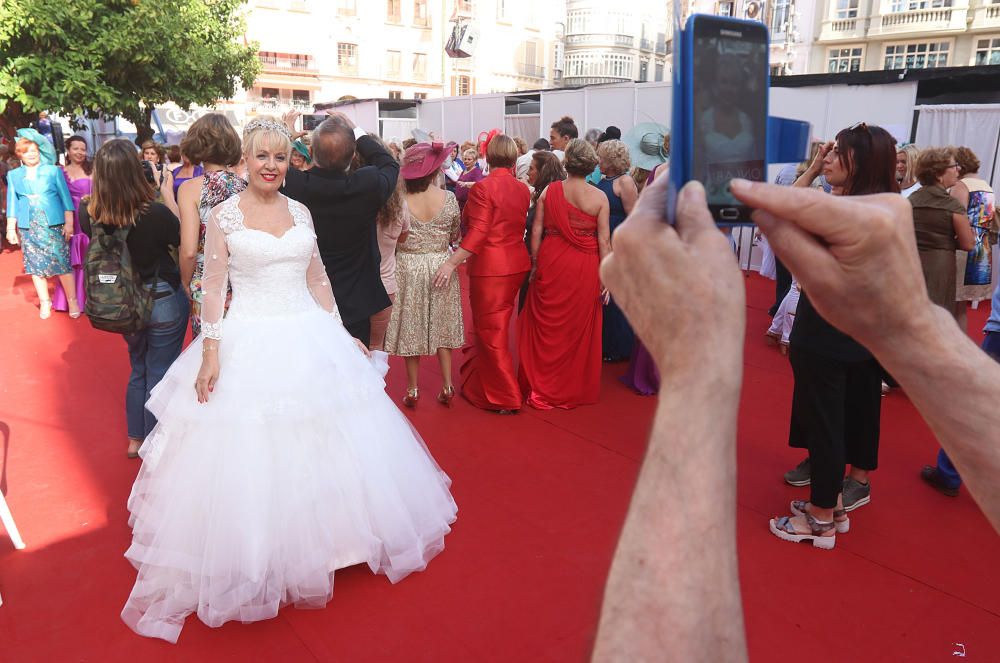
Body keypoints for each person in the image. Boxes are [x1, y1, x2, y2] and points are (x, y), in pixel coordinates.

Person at [119, 119, 457, 644]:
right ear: (245, 161)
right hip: (248, 335)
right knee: (255, 448)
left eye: (280, 156)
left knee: (329, 438)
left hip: (309, 332)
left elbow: (317, 276)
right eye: (261, 156)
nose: (271, 165)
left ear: (289, 161)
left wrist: (337, 329)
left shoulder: (300, 210)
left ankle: (334, 543)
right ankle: (263, 551)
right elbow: (213, 289)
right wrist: (210, 353)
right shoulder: (224, 215)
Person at [769, 125, 899, 549]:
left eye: (836, 152)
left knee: (824, 424)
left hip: (826, 331)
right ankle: (834, 505)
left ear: (858, 162)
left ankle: (821, 519)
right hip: (858, 331)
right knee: (840, 421)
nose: (826, 157)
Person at [79, 139, 189, 458]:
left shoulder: (89, 212)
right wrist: (160, 189)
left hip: (121, 301)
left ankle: (136, 438)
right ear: (135, 171)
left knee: (139, 368)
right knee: (160, 371)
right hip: (162, 298)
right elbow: (181, 235)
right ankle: (155, 444)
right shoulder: (153, 212)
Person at [281, 111, 398, 347]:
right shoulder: (367, 185)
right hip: (355, 298)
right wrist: (357, 131)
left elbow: (272, 165)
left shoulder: (294, 184)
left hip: (306, 295)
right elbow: (388, 163)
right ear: (353, 153)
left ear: (310, 153)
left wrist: (287, 135)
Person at [435, 134, 530, 414]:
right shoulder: (522, 189)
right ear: (513, 157)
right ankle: (485, 386)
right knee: (496, 328)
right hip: (516, 264)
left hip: (491, 268)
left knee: (491, 331)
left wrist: (451, 262)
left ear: (487, 155)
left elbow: (478, 233)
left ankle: (505, 395)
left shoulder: (483, 189)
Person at [518, 139, 610, 409]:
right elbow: (604, 242)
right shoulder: (599, 197)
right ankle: (566, 385)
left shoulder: (550, 190)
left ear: (568, 162)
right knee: (574, 327)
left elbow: (536, 231)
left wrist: (534, 264)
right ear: (591, 164)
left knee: (546, 325)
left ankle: (540, 383)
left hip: (551, 258)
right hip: (585, 265)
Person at [385, 142, 465, 406]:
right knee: (443, 324)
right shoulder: (450, 199)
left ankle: (413, 389)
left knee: (411, 326)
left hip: (408, 265)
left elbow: (395, 237)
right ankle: (447, 383)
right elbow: (455, 235)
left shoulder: (398, 200)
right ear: (434, 171)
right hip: (441, 264)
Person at [176, 113, 246, 337]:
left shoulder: (190, 189)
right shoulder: (246, 187)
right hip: (243, 281)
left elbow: (188, 250)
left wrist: (185, 283)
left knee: (208, 353)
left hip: (206, 283)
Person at [4, 130, 78, 319]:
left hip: (53, 224)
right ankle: (45, 302)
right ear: (20, 154)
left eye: (34, 150)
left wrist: (69, 224)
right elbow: (12, 202)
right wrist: (10, 228)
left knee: (62, 264)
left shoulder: (53, 171)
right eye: (27, 151)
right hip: (29, 227)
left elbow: (66, 199)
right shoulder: (13, 175)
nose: (31, 154)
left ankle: (72, 301)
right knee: (35, 266)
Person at [909, 147, 975, 321]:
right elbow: (968, 244)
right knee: (936, 315)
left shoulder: (911, 200)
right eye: (954, 166)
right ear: (939, 174)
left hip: (911, 261)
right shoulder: (952, 205)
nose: (958, 170)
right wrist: (948, 241)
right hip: (940, 265)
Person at [595, 139, 638, 362]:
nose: (598, 161)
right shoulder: (603, 180)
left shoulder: (625, 182)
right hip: (602, 241)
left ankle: (620, 347)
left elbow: (634, 218)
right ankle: (604, 343)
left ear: (611, 160)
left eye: (601, 158)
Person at [368, 137, 409, 352]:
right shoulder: (399, 203)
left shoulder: (351, 197)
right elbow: (403, 237)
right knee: (376, 346)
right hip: (385, 284)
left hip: (353, 284)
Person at [951, 146, 997, 331]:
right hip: (982, 249)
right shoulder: (986, 186)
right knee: (961, 307)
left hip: (964, 246)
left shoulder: (961, 186)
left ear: (959, 166)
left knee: (951, 303)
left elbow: (956, 215)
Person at [51, 135, 93, 313]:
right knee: (71, 258)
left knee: (90, 255)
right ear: (68, 150)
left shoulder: (93, 169)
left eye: (83, 149)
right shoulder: (61, 172)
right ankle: (72, 298)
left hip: (91, 217)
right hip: (70, 218)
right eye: (76, 148)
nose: (80, 152)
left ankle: (92, 297)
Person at [519, 151, 565, 310]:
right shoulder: (544, 193)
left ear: (542, 172)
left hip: (540, 263)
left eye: (531, 169)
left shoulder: (550, 196)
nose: (527, 173)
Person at [140, 140, 179, 216]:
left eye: (153, 154)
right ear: (143, 156)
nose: (149, 156)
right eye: (146, 153)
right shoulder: (138, 173)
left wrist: (158, 181)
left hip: (160, 212)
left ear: (158, 158)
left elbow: (170, 198)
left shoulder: (166, 174)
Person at [454, 147, 485, 211]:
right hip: (460, 205)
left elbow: (479, 185)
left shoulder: (476, 171)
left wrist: (465, 184)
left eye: (469, 159)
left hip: (469, 205)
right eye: (465, 159)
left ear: (475, 160)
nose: (466, 161)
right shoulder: (464, 170)